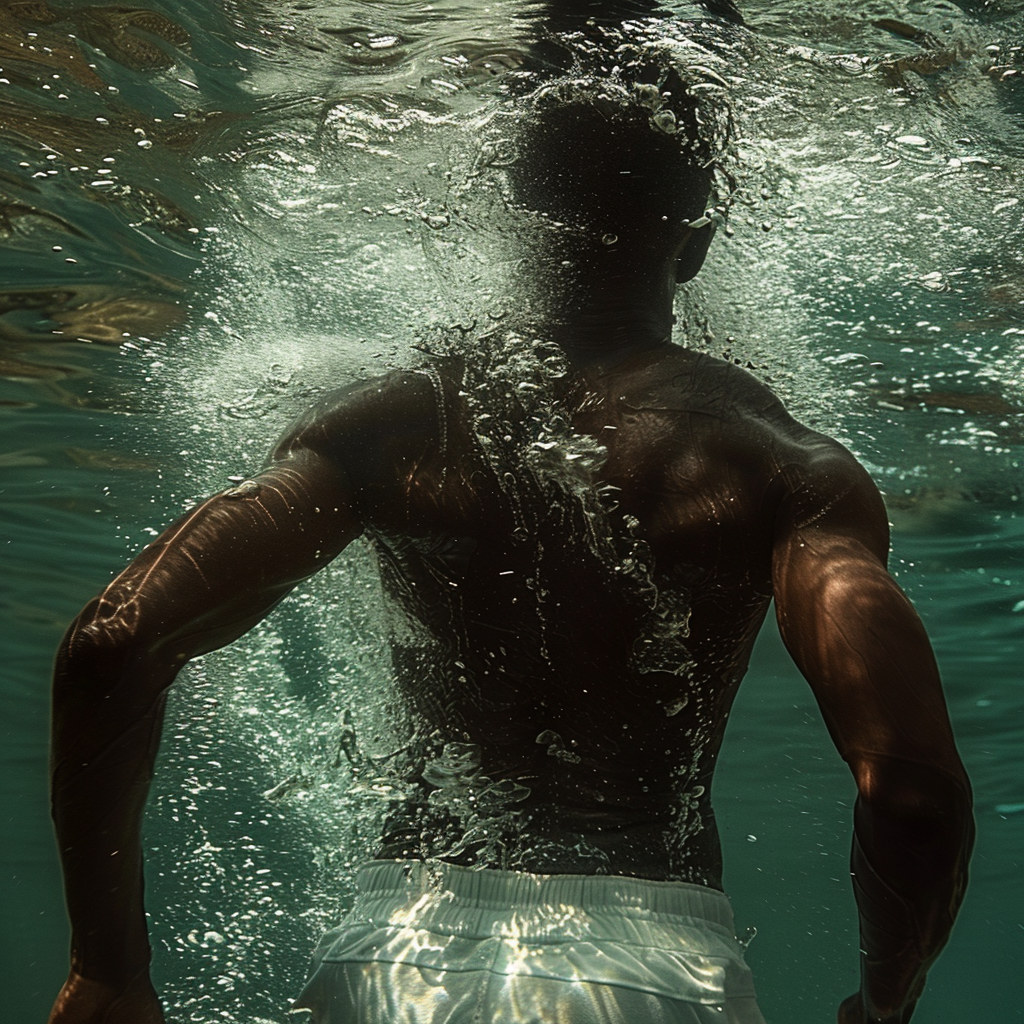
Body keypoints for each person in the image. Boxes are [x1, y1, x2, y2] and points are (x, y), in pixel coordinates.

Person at [47, 37, 973, 1024]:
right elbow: (911, 790)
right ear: (694, 242)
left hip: (397, 956)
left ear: (507, 220)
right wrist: (886, 999)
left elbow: (113, 641)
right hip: (648, 969)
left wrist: (108, 969)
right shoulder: (783, 466)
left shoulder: (391, 428)